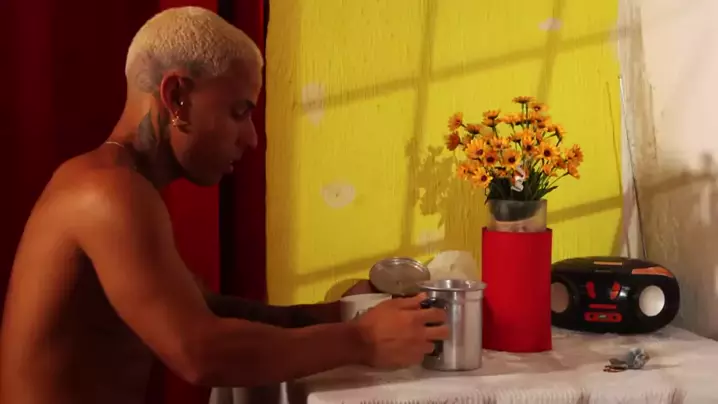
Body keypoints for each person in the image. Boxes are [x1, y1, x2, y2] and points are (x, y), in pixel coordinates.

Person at [0, 6, 449, 404]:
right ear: (177, 97)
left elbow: (211, 312)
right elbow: (200, 352)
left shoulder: (124, 185)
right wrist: (361, 340)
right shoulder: (107, 193)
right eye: (239, 111)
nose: (251, 138)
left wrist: (336, 315)